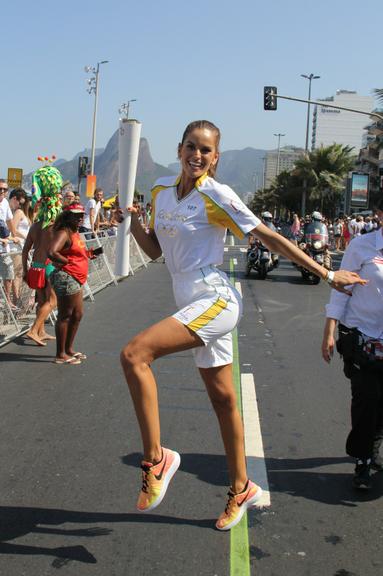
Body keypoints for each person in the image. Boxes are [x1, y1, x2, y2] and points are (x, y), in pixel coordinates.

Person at [119, 120, 366, 531]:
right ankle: (240, 487)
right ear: (180, 149)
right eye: (191, 147)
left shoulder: (216, 194)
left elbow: (269, 237)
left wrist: (327, 273)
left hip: (214, 299)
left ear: (215, 158)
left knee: (134, 355)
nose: (197, 156)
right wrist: (136, 225)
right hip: (188, 297)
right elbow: (157, 252)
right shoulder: (162, 191)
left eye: (206, 151)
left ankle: (156, 460)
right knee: (223, 401)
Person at [322, 197, 383, 491]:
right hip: (362, 337)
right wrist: (329, 330)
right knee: (366, 399)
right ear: (380, 215)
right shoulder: (362, 246)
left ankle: (374, 442)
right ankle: (362, 460)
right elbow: (340, 289)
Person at [48, 203, 102, 364]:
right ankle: (60, 354)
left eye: (82, 215)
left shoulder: (74, 233)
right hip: (67, 277)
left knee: (77, 315)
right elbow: (51, 252)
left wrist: (89, 254)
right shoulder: (64, 232)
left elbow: (77, 253)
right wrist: (67, 262)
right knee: (65, 316)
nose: (80, 218)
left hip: (76, 278)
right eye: (76, 215)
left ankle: (68, 349)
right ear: (67, 216)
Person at [22, 165, 63, 346]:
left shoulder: (35, 226)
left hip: (35, 267)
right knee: (53, 301)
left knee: (42, 300)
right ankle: (33, 330)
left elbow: (25, 251)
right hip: (48, 266)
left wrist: (25, 270)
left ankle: (41, 331)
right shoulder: (55, 226)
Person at [0, 179, 21, 308]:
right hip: (2, 242)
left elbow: (9, 221)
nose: (2, 191)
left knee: (9, 272)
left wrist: (14, 236)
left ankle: (7, 299)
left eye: (4, 189)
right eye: (0, 189)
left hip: (4, 246)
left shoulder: (5, 204)